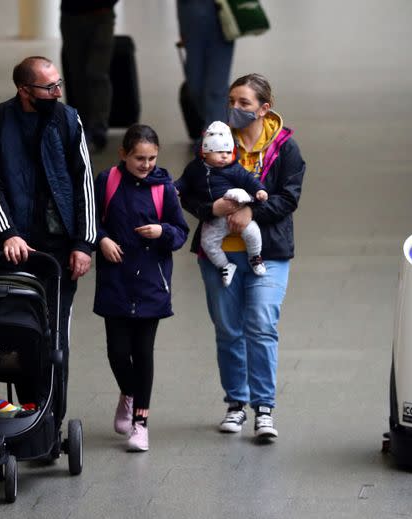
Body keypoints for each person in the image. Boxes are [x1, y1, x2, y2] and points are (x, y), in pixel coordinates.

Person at [179, 73, 306, 442]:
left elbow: (288, 197)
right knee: (229, 330)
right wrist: (210, 208)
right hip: (217, 256)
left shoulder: (286, 148)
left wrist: (253, 214)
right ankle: (236, 403)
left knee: (262, 324)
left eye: (244, 103)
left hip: (269, 252)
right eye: (231, 101)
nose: (234, 108)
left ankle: (264, 408)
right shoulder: (214, 141)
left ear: (264, 109)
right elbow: (187, 192)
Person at [0, 56, 96, 421]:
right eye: (49, 87)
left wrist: (84, 243)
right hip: (14, 250)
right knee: (22, 332)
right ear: (24, 90)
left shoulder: (69, 119)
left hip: (60, 250)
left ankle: (52, 421)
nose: (57, 92)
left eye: (58, 84)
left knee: (56, 337)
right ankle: (29, 414)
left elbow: (84, 181)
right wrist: (7, 233)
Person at [93, 124, 189, 452]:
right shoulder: (107, 182)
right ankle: (128, 392)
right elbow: (90, 222)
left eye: (151, 158)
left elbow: (180, 232)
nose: (146, 165)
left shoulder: (164, 188)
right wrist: (102, 240)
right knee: (117, 352)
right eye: (139, 158)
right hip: (115, 282)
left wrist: (162, 231)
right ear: (123, 155)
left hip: (152, 283)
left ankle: (140, 423)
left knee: (143, 353)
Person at [175, 120, 268, 287]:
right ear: (205, 152)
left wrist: (259, 190)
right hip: (213, 218)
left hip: (236, 211)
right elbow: (185, 182)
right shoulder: (195, 169)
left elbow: (249, 180)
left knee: (252, 232)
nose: (224, 156)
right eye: (218, 152)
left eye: (227, 151)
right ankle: (225, 265)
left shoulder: (234, 168)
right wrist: (176, 189)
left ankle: (255, 256)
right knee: (208, 243)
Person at [60, 0, 118, 152]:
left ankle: (98, 127)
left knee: (97, 73)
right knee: (77, 76)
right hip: (71, 16)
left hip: (102, 16)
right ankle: (83, 125)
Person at [177, 0, 234, 133]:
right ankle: (219, 123)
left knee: (216, 87)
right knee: (195, 84)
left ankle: (216, 134)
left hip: (221, 14)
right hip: (190, 15)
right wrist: (182, 28)